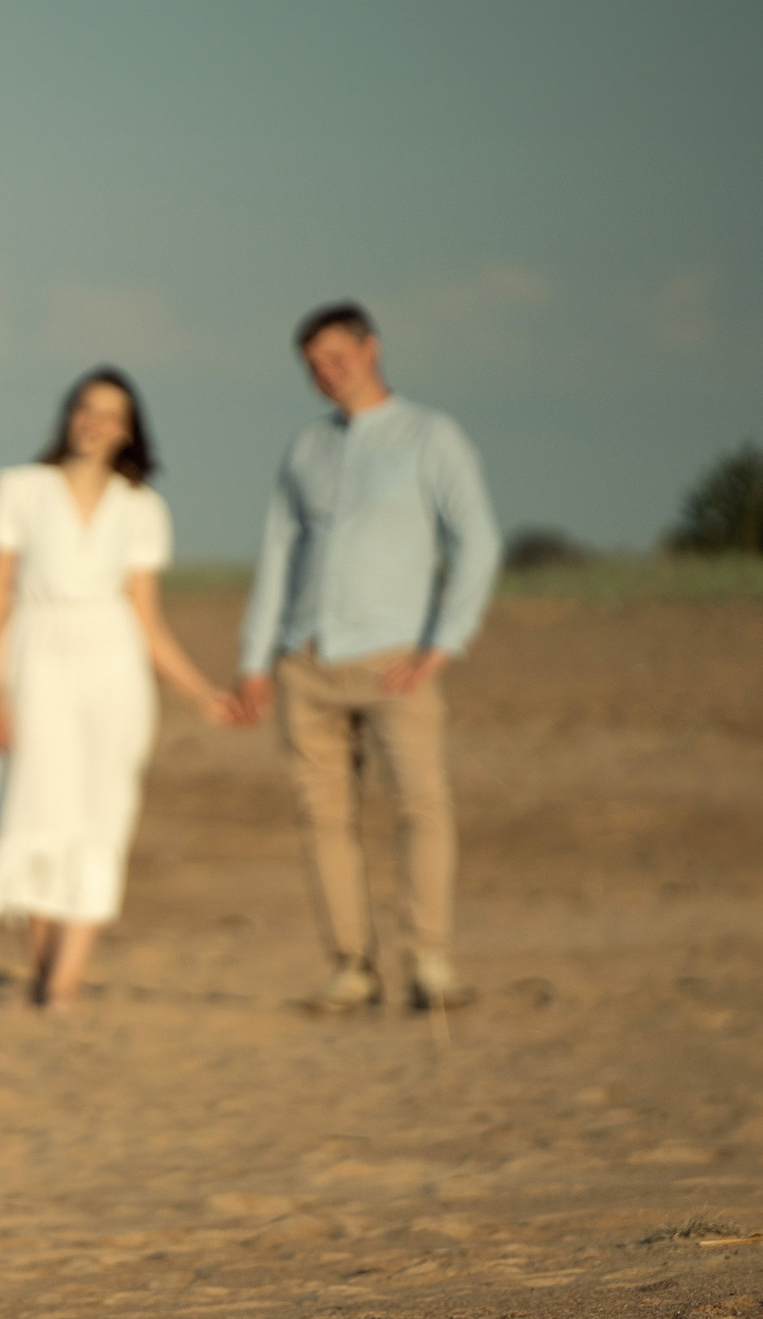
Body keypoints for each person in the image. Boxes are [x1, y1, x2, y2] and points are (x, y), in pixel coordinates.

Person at [233, 302, 502, 1013]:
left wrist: (443, 644)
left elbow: (477, 541)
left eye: (337, 355)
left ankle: (432, 964)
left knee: (421, 806)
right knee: (323, 816)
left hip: (395, 660)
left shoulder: (429, 436)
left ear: (371, 349)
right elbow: (278, 553)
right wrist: (257, 658)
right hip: (307, 661)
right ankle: (352, 966)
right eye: (314, 365)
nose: (327, 372)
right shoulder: (306, 449)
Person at [0, 367, 235, 1008]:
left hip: (114, 666)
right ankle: (43, 970)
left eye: (112, 415)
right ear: (69, 414)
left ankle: (61, 985)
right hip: (35, 658)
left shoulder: (141, 505)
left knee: (100, 815)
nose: (95, 423)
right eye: (86, 409)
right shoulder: (22, 487)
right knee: (31, 808)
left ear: (128, 431)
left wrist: (201, 692)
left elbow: (147, 617)